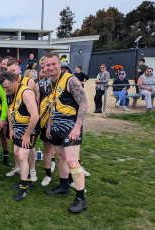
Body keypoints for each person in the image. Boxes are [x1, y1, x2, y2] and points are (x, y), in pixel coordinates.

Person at [44, 52, 88, 214]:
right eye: (47, 65)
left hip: (70, 127)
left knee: (72, 161)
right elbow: (52, 105)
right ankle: (63, 186)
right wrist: (49, 125)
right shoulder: (50, 83)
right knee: (61, 157)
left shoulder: (71, 80)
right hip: (56, 127)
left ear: (59, 64)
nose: (51, 67)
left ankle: (80, 199)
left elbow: (83, 103)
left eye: (53, 64)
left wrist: (77, 127)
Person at [0, 71, 39, 200]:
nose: (5, 90)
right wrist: (11, 129)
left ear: (14, 82)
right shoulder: (9, 93)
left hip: (29, 127)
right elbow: (10, 112)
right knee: (16, 151)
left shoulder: (26, 93)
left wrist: (27, 135)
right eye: (3, 88)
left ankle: (23, 188)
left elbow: (35, 116)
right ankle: (27, 179)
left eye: (7, 87)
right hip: (17, 128)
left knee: (22, 156)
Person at [6, 59, 38, 181]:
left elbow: (33, 105)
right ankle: (19, 168)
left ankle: (32, 170)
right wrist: (11, 128)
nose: (12, 73)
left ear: (19, 69)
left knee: (28, 148)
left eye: (13, 70)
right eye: (9, 71)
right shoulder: (7, 85)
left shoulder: (28, 82)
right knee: (17, 149)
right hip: (16, 122)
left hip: (28, 122)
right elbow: (10, 108)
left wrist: (30, 130)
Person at [35, 57, 55, 186]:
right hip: (44, 121)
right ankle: (48, 175)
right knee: (47, 148)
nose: (45, 70)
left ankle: (69, 179)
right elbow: (37, 105)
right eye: (42, 68)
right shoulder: (39, 84)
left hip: (58, 121)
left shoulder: (60, 82)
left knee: (63, 151)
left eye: (46, 66)